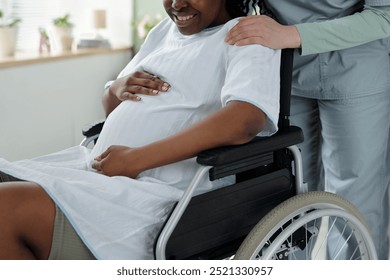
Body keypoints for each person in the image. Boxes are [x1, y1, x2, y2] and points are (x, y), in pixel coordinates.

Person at [0, 0, 281, 260]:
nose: (177, 4)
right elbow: (114, 107)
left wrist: (136, 159)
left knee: (5, 207)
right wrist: (115, 89)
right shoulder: (164, 31)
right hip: (98, 174)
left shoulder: (247, 35)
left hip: (156, 196)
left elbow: (246, 119)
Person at [226, 0, 390, 259]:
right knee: (288, 196)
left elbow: (385, 15)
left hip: (357, 68)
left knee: (356, 203)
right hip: (286, 70)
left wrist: (291, 34)